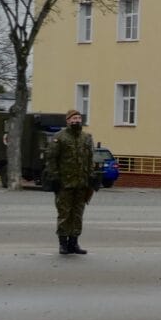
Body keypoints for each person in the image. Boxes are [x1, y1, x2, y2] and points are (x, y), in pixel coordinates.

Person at [44, 109, 95, 255]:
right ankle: (63, 243)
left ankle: (74, 242)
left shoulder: (86, 138)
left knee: (78, 214)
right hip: (64, 183)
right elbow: (51, 159)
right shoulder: (59, 137)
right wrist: (54, 177)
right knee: (64, 214)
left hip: (82, 184)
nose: (76, 120)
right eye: (73, 118)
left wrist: (91, 177)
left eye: (78, 118)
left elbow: (90, 159)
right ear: (67, 121)